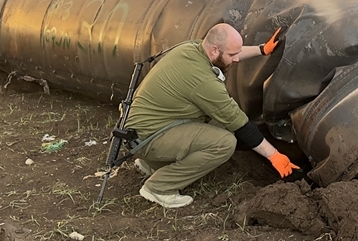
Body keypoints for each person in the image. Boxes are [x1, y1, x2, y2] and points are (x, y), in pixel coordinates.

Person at [125, 23, 299, 208]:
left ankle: (152, 164)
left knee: (219, 123)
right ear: (215, 50)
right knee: (224, 143)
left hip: (144, 128)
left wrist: (262, 50)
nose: (236, 59)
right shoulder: (203, 81)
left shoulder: (194, 48)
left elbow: (230, 52)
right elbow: (241, 125)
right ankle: (159, 187)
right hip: (148, 138)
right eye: (232, 55)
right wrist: (274, 156)